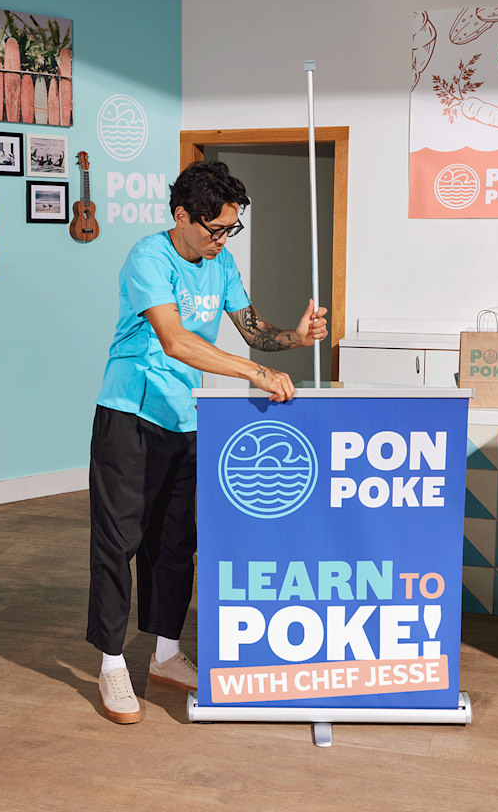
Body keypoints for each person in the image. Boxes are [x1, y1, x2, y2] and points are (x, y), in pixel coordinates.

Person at [86, 160, 328, 724]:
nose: (222, 239)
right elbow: (173, 341)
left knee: (175, 542)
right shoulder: (149, 257)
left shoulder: (220, 266)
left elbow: (253, 331)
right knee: (119, 541)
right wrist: (253, 375)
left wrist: (295, 335)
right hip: (131, 414)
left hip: (187, 418)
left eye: (230, 229)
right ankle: (112, 664)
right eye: (214, 229)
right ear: (181, 216)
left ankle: (166, 655)